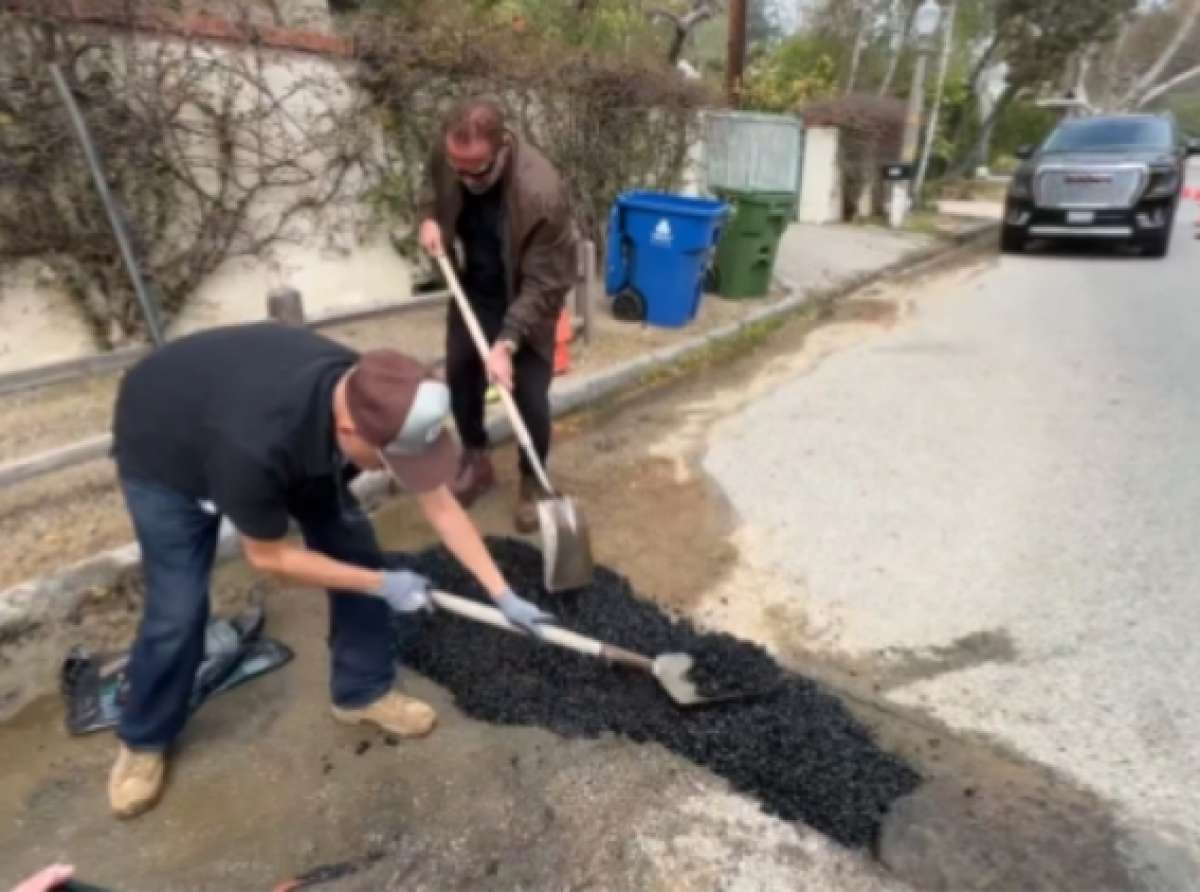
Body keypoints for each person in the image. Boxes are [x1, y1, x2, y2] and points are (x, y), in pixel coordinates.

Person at [107, 322, 554, 819]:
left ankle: (361, 692)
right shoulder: (255, 445)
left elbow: (442, 505)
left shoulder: (380, 397)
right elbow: (269, 556)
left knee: (354, 547)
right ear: (347, 432)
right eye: (386, 460)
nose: (389, 470)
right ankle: (144, 738)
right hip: (167, 450)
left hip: (270, 431)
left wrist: (502, 594)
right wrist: (382, 584)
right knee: (179, 608)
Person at [418, 97, 577, 533]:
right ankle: (475, 456)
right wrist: (429, 218)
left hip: (527, 295)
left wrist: (507, 341)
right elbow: (431, 189)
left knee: (528, 395)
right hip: (474, 287)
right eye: (458, 168)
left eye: (478, 169)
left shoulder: (541, 192)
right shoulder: (450, 154)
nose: (466, 178)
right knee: (462, 373)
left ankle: (532, 480)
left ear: (503, 146)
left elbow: (548, 282)